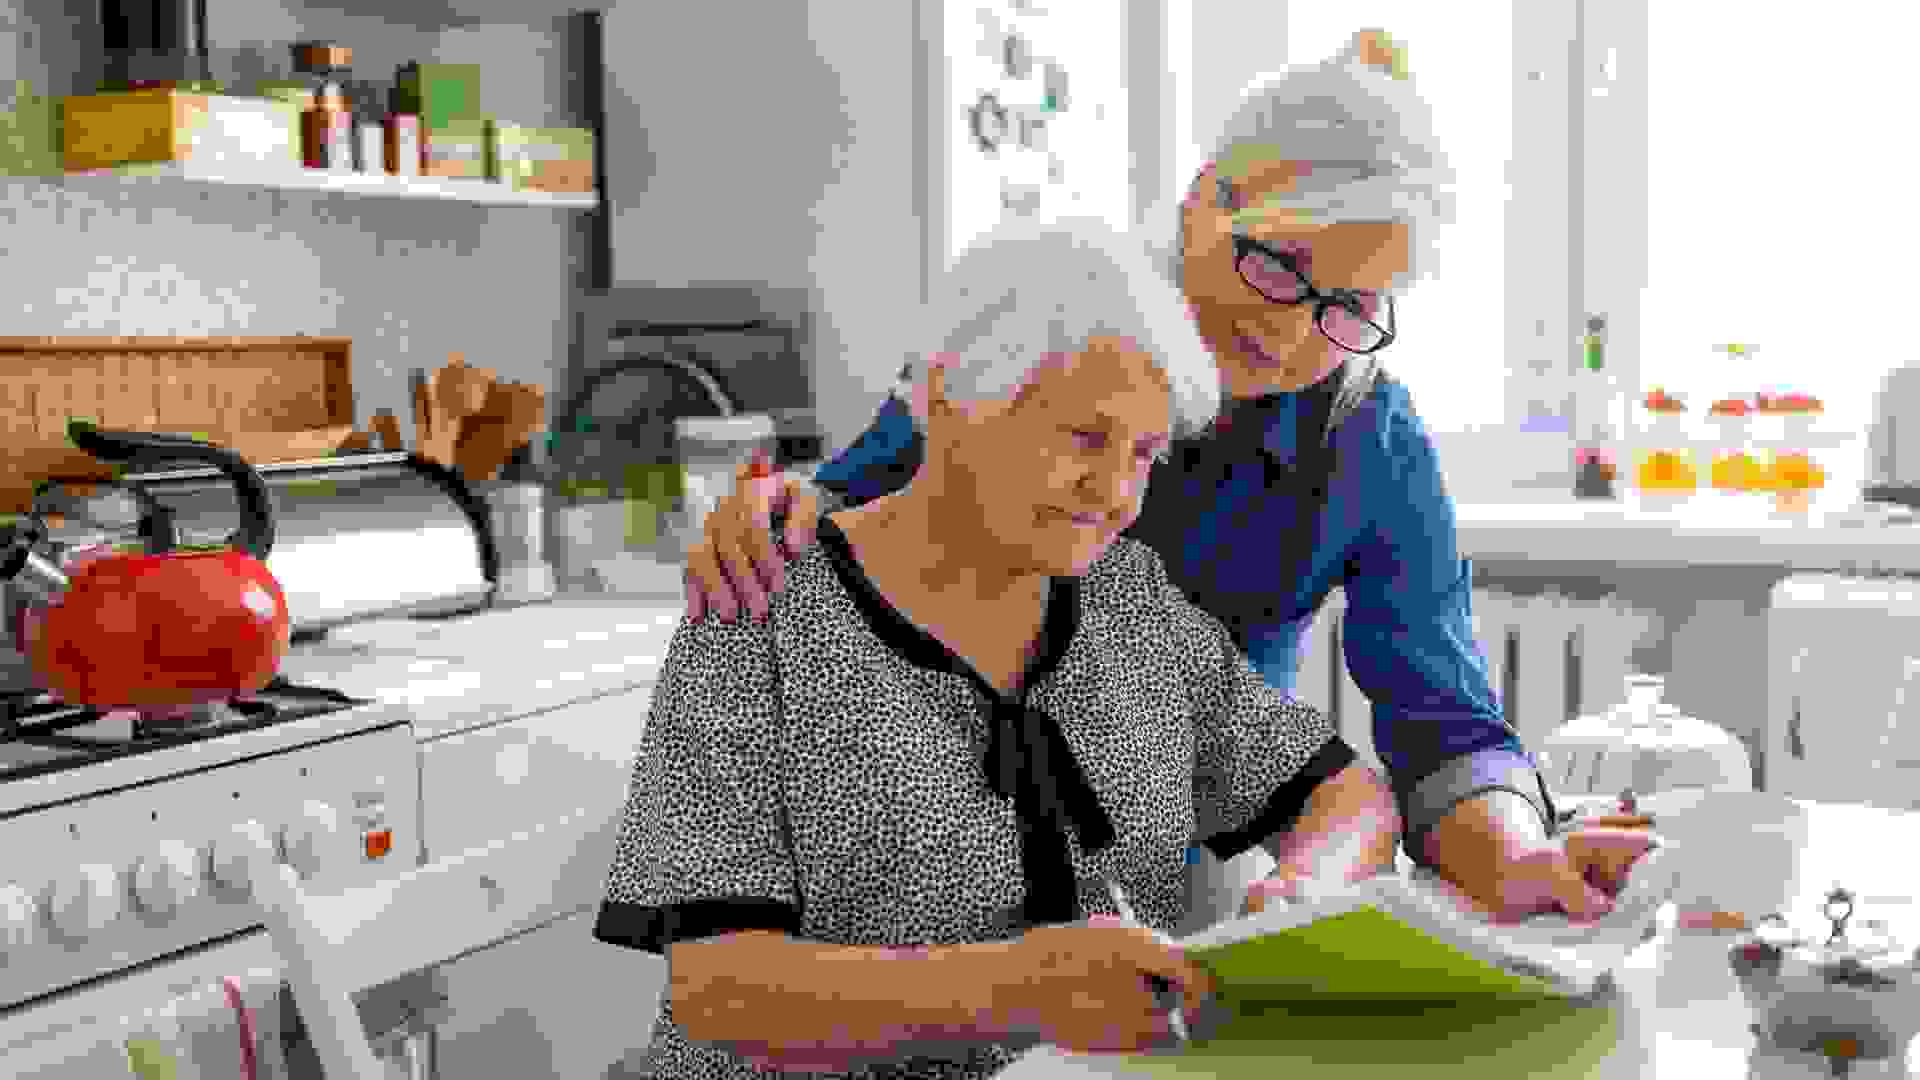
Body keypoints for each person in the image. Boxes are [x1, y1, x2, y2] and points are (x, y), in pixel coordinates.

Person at [679, 29, 1654, 924]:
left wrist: (1517, 859)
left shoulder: (1368, 446)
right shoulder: (1045, 324)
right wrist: (777, 514)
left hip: (1186, 873)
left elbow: (1435, 727)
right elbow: (844, 512)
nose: (1288, 330)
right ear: (1202, 202)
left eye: (1347, 305)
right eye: (1279, 266)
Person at [595, 215, 1391, 1078]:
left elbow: (1346, 796)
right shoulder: (762, 605)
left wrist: (1307, 889)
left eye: (1147, 455)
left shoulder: (1130, 599)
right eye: (1085, 440)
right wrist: (1018, 988)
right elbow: (721, 990)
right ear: (945, 400)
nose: (1116, 492)